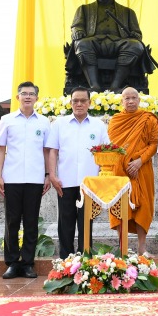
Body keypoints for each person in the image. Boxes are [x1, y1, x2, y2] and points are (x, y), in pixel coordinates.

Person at [0, 81, 52, 279]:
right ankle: (12, 262)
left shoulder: (44, 122)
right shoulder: (7, 120)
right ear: (18, 97)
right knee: (11, 222)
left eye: (31, 94)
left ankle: (28, 263)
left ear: (37, 98)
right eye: (24, 93)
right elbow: (0, 149)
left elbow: (47, 151)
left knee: (31, 222)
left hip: (35, 179)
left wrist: (47, 175)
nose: (27, 96)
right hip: (12, 178)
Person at [46, 87, 109, 258]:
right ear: (70, 102)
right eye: (75, 101)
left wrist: (101, 179)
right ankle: (66, 260)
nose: (79, 104)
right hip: (64, 182)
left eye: (83, 101)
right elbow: (53, 151)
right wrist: (52, 175)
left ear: (89, 103)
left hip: (89, 184)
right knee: (65, 222)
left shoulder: (99, 125)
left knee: (86, 222)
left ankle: (85, 257)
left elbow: (106, 153)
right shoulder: (59, 124)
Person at [70, 0, 150, 92]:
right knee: (81, 43)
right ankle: (94, 85)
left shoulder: (128, 12)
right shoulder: (84, 9)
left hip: (119, 43)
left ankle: (115, 85)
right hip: (94, 43)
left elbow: (137, 33)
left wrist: (135, 35)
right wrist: (78, 31)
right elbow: (76, 26)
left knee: (135, 45)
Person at [107, 86, 158, 255]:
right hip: (120, 170)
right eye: (127, 98)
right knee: (120, 205)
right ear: (122, 101)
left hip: (142, 169)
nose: (130, 101)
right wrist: (127, 161)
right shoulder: (115, 121)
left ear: (139, 100)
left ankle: (142, 248)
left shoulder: (148, 119)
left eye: (133, 98)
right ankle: (123, 247)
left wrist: (139, 161)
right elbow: (113, 146)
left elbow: (154, 143)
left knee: (143, 205)